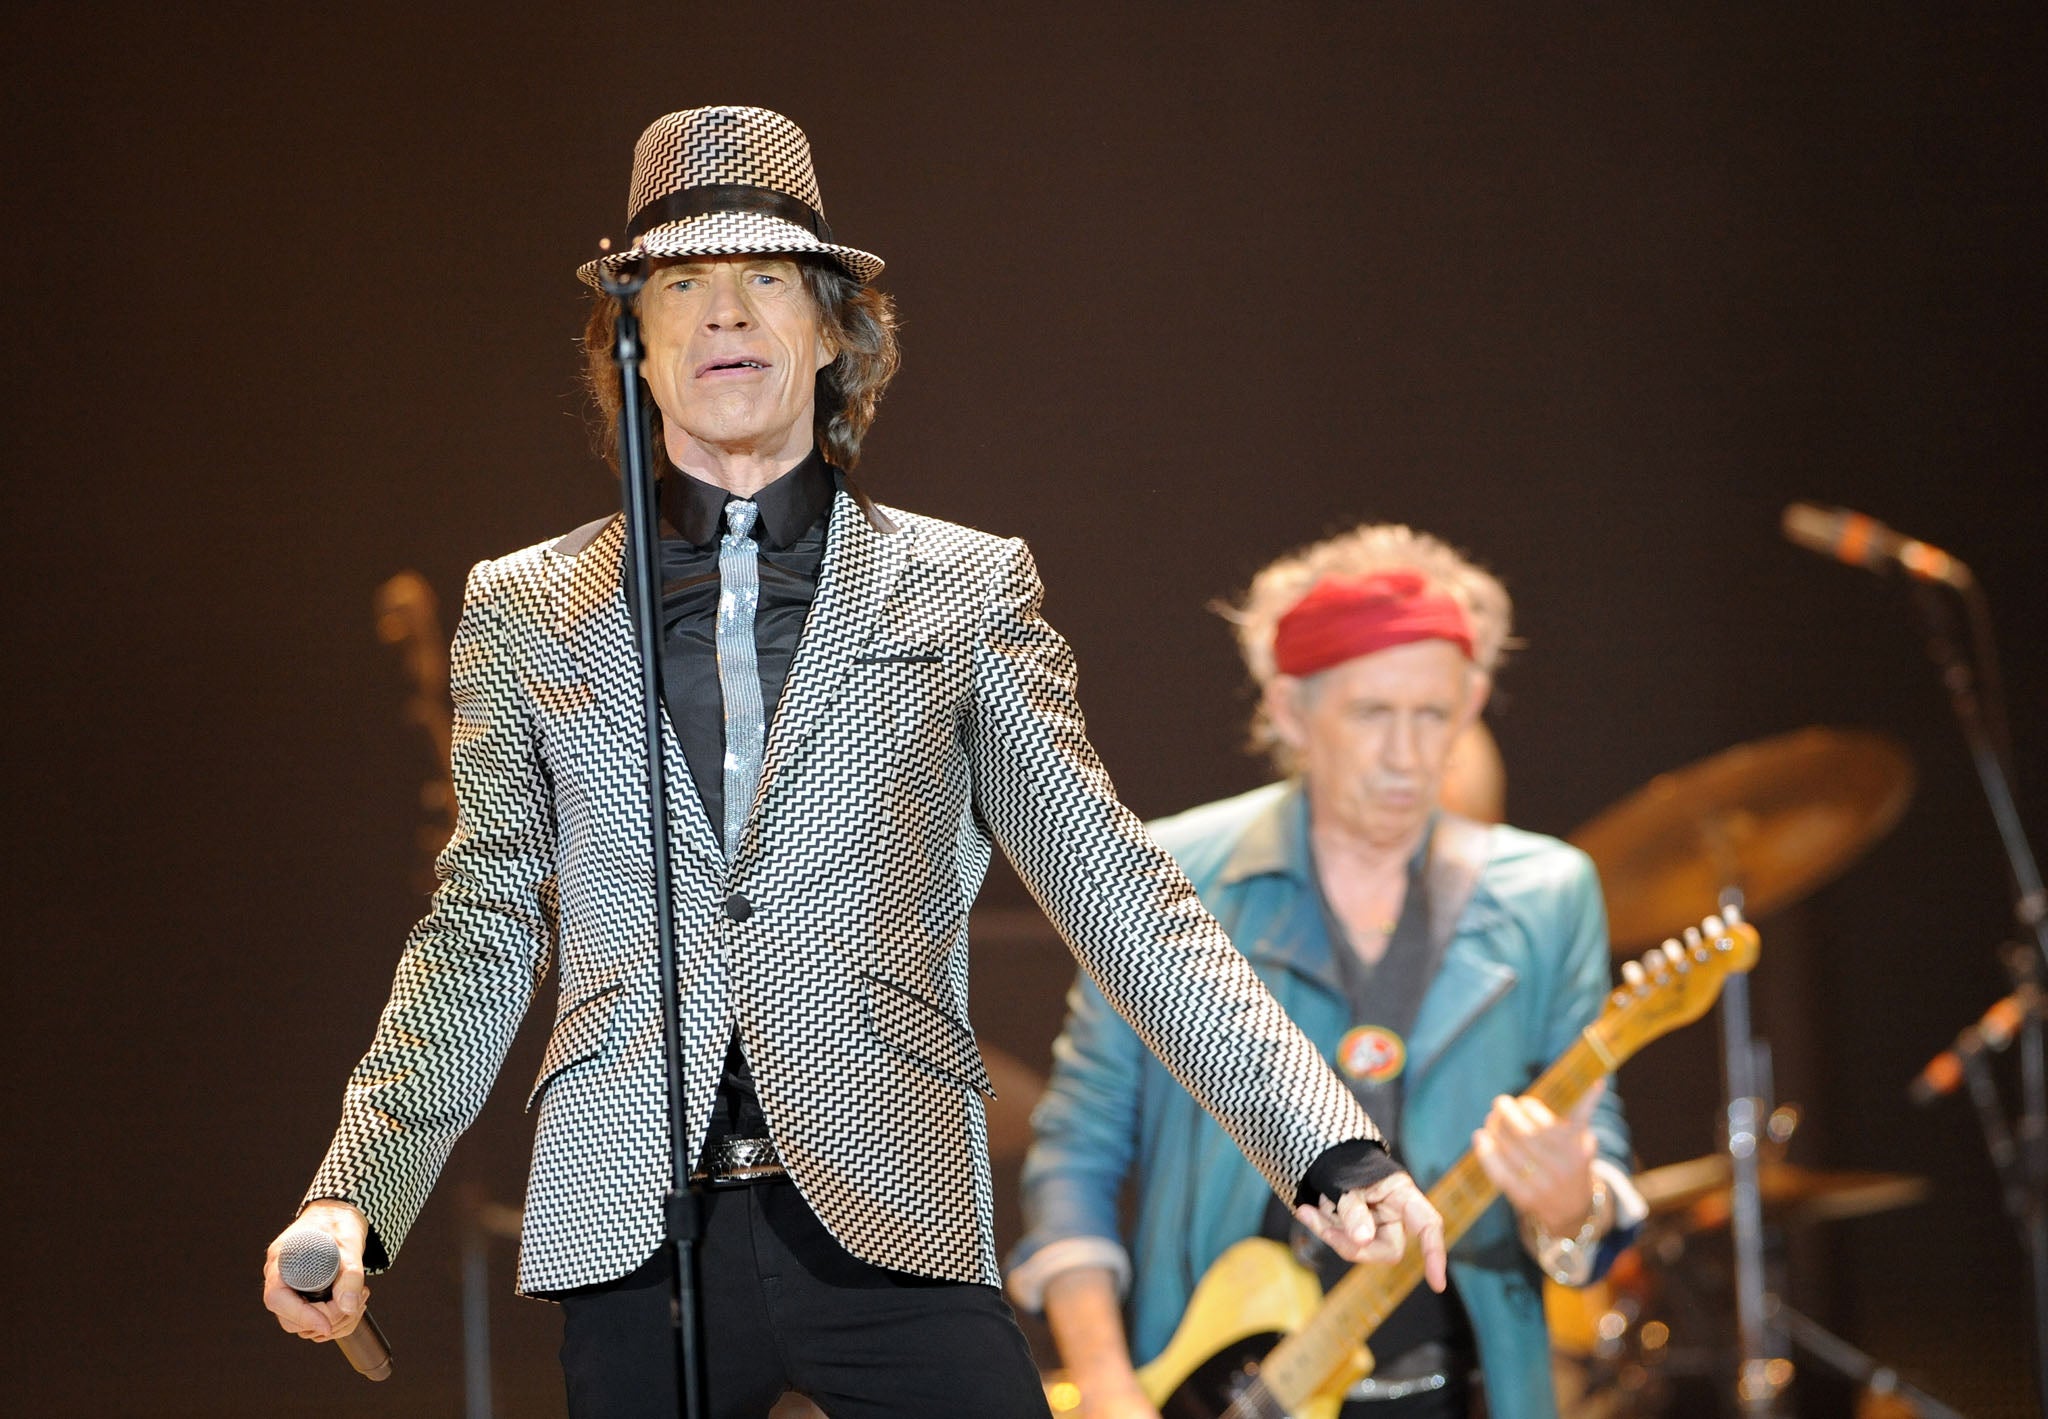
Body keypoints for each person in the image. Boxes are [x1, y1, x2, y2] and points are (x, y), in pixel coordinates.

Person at [259, 107, 1448, 1419]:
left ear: (832, 332)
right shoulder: (526, 605)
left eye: (766, 279)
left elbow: (1117, 887)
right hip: (631, 1222)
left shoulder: (960, 587)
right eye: (685, 285)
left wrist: (1324, 1142)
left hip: (888, 1199)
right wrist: (353, 1190)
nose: (725, 314)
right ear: (632, 341)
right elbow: (479, 924)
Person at [1010, 525, 1645, 1419]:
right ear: (1289, 708)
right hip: (1213, 1386)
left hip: (1460, 1389)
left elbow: (1596, 1156)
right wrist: (1109, 1386)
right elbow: (1076, 1149)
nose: (1406, 755)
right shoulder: (1170, 870)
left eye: (1434, 715)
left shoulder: (1547, 893)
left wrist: (1571, 1198)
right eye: (1371, 713)